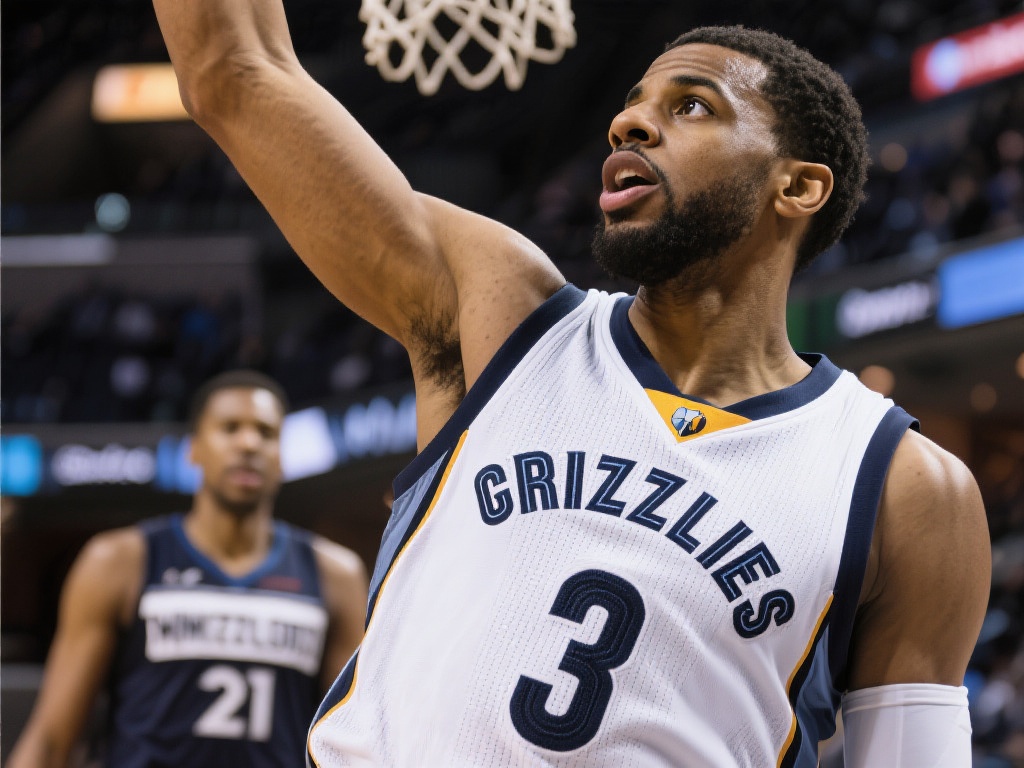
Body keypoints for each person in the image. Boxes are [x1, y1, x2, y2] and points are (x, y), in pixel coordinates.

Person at [150, 4, 991, 764]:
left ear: (798, 186)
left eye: (691, 106)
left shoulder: (905, 489)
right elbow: (235, 71)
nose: (629, 122)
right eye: (633, 104)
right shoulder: (502, 318)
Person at [9, 370, 368, 768]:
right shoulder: (119, 561)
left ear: (282, 457)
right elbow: (51, 740)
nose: (248, 444)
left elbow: (352, 742)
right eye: (230, 428)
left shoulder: (335, 574)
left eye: (265, 433)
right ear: (194, 448)